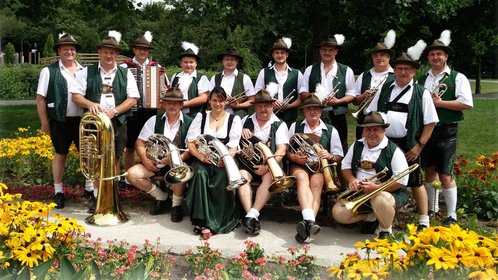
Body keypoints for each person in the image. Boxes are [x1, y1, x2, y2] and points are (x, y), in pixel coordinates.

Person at [367, 41, 438, 232]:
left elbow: (431, 123)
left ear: (414, 72)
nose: (403, 72)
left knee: (415, 181)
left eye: (407, 69)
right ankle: (378, 216)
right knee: (380, 179)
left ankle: (424, 219)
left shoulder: (421, 93)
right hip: (386, 144)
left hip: (409, 145)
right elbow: (371, 113)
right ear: (394, 70)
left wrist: (418, 146)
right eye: (399, 69)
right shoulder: (385, 88)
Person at [70, 30, 139, 212]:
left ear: (117, 55)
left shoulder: (126, 73)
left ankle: (113, 195)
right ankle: (97, 196)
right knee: (95, 158)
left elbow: (133, 98)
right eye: (105, 52)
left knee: (115, 158)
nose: (109, 55)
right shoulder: (86, 72)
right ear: (99, 53)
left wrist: (114, 111)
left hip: (117, 121)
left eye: (112, 52)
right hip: (94, 123)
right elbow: (76, 96)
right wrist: (90, 103)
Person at [418, 30, 473, 226]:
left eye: (439, 54)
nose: (436, 57)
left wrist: (440, 104)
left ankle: (451, 215)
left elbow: (466, 103)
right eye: (432, 54)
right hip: (426, 130)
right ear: (428, 57)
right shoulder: (422, 79)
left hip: (446, 130)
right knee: (429, 171)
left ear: (446, 56)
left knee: (445, 173)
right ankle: (432, 209)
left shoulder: (458, 77)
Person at [36, 33, 93, 209]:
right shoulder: (48, 71)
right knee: (60, 154)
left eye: (72, 49)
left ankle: (90, 189)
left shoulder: (85, 71)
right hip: (59, 121)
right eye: (65, 48)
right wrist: (45, 123)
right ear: (59, 51)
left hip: (82, 121)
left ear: (76, 52)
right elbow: (40, 99)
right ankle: (58, 191)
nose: (69, 51)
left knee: (88, 155)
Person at [332, 111, 409, 239]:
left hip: (386, 193)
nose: (371, 133)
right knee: (338, 213)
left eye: (376, 129)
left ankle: (385, 230)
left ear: (383, 131)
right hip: (360, 193)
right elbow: (345, 166)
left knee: (381, 199)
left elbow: (401, 181)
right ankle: (373, 217)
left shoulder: (394, 150)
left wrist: (376, 188)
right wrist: (352, 179)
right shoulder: (358, 145)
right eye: (368, 129)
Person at [127, 87, 193, 221]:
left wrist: (176, 160)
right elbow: (139, 143)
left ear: (181, 105)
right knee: (131, 174)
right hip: (155, 165)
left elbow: (190, 149)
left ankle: (176, 205)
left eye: (175, 103)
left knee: (181, 172)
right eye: (169, 102)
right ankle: (161, 197)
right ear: (163, 104)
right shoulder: (153, 120)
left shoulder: (190, 122)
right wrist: (145, 160)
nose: (172, 106)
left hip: (178, 163)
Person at [185, 87, 243, 236]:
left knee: (223, 176)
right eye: (215, 100)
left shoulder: (234, 119)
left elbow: (233, 146)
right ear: (209, 101)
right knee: (199, 173)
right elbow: (190, 142)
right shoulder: (201, 117)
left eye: (221, 100)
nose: (218, 104)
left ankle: (215, 222)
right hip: (203, 158)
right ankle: (201, 220)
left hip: (225, 160)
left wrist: (226, 160)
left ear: (226, 102)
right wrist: (201, 157)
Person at [286, 94, 343, 243]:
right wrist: (293, 158)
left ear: (321, 111)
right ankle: (310, 221)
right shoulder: (295, 126)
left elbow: (339, 156)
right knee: (302, 178)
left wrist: (330, 155)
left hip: (319, 169)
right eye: (309, 109)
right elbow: (286, 149)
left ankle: (307, 225)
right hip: (299, 165)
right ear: (304, 111)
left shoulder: (331, 130)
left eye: (316, 109)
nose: (313, 112)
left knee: (317, 183)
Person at [237, 88, 289, 235]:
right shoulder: (244, 121)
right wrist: (240, 133)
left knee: (269, 178)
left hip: (269, 166)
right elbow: (234, 143)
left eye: (267, 105)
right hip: (247, 164)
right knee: (241, 178)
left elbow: (281, 150)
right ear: (255, 106)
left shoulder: (280, 124)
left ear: (272, 106)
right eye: (260, 105)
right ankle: (251, 216)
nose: (263, 109)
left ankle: (251, 215)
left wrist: (267, 166)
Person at [120, 31, 166, 183]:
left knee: (150, 145)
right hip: (131, 111)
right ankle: (128, 179)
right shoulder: (125, 67)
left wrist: (164, 91)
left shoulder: (156, 67)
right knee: (130, 145)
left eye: (145, 49)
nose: (142, 51)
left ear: (148, 51)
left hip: (150, 111)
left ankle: (149, 176)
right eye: (139, 48)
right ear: (134, 50)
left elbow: (165, 87)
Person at [300, 34, 356, 153]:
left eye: (330, 50)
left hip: (337, 115)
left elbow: (352, 94)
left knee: (340, 149)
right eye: (324, 49)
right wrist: (316, 97)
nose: (327, 52)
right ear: (320, 51)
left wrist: (338, 101)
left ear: (336, 51)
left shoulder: (346, 70)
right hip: (315, 115)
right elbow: (303, 92)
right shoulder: (310, 69)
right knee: (313, 149)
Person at [353, 30, 396, 139]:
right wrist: (363, 96)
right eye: (375, 55)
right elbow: (355, 101)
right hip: (365, 119)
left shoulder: (395, 76)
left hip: (386, 121)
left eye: (382, 55)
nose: (379, 58)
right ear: (372, 58)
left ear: (389, 57)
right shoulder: (364, 75)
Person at [254, 37, 303, 126]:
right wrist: (271, 101)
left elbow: (301, 97)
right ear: (273, 54)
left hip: (290, 118)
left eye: (282, 53)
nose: (280, 55)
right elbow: (257, 93)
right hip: (268, 117)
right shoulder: (264, 72)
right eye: (277, 53)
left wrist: (290, 105)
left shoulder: (297, 74)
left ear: (287, 54)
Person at [170, 42, 211, 117]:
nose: (188, 65)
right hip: (175, 115)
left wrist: (183, 104)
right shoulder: (175, 76)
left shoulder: (201, 78)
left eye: (191, 62)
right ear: (181, 63)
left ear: (196, 64)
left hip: (195, 117)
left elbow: (203, 98)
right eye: (185, 62)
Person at [210, 48, 255, 117]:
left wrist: (238, 105)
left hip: (239, 117)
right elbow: (209, 98)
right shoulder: (214, 78)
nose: (229, 62)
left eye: (232, 59)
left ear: (237, 61)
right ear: (223, 61)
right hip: (218, 115)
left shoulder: (245, 78)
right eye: (227, 59)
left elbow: (252, 100)